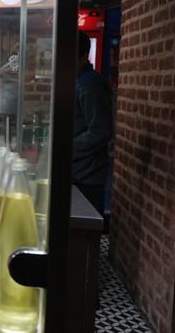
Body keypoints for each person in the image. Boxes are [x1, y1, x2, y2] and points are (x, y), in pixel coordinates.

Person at [73, 30, 113, 215]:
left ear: (83, 58)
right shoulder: (78, 80)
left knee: (82, 226)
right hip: (77, 172)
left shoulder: (90, 86)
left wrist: (67, 148)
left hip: (86, 177)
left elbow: (101, 131)